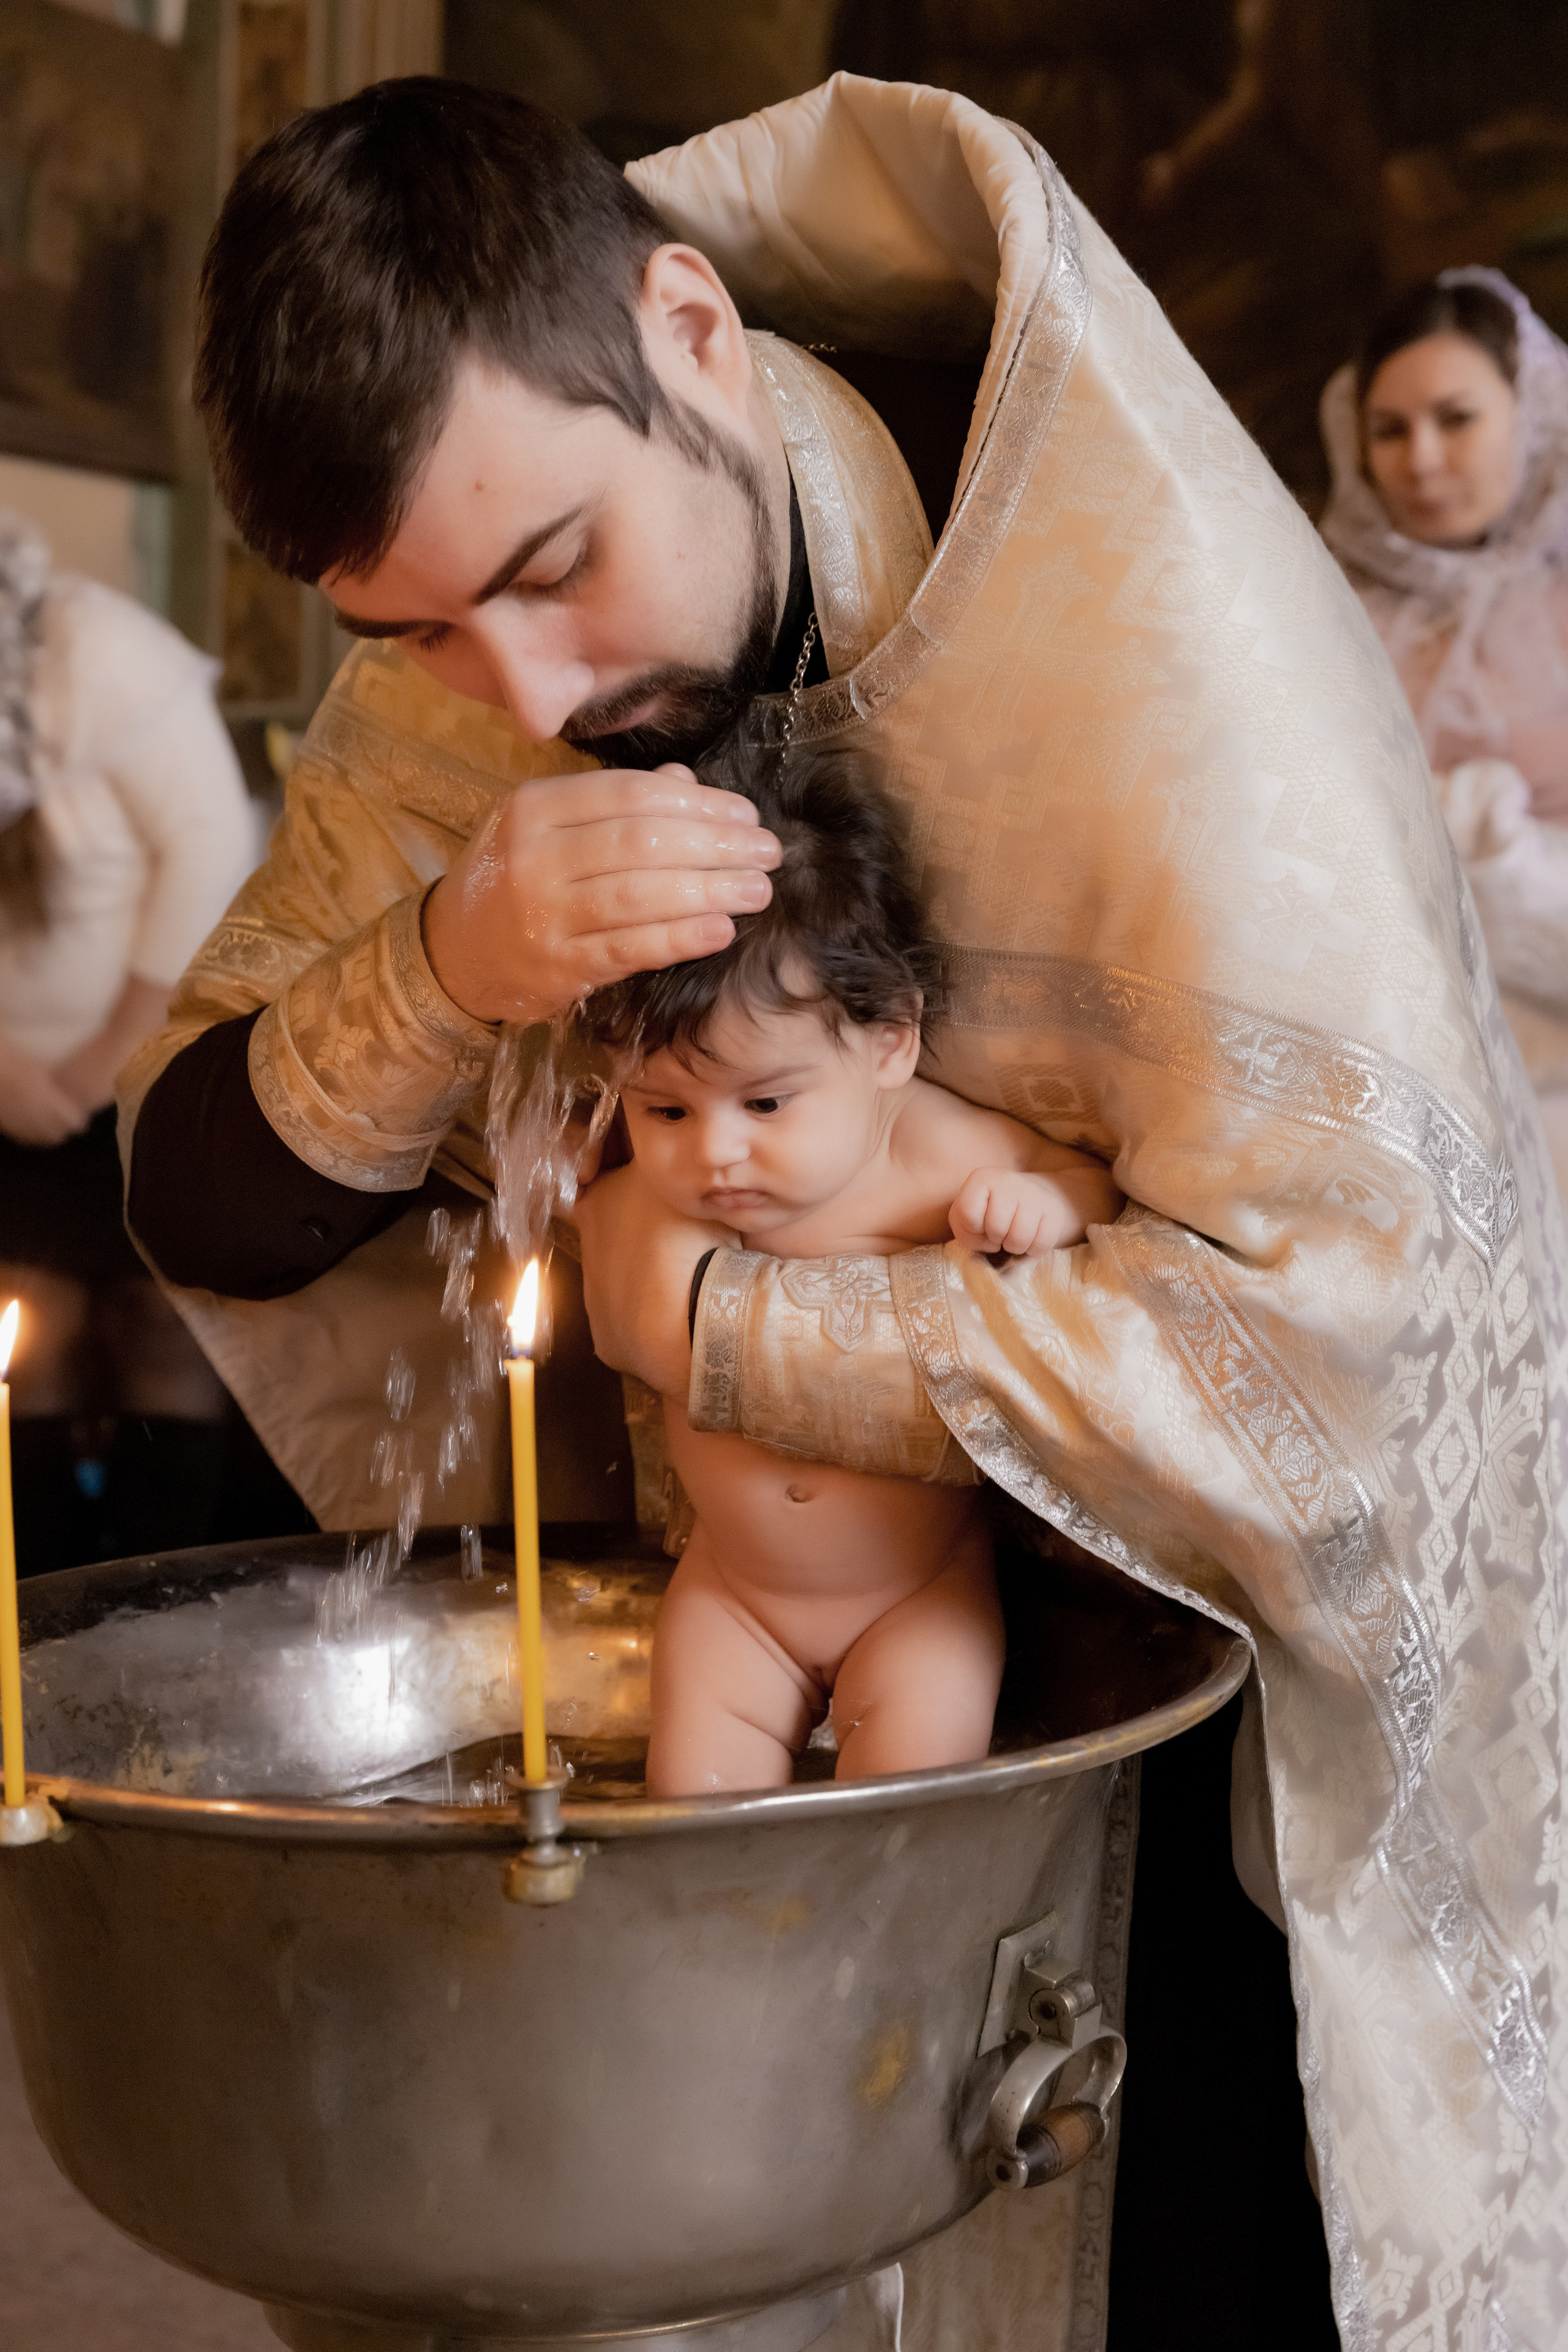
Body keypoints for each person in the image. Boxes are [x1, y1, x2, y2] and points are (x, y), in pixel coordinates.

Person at [118, 76, 1564, 2352]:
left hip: (1199, 1766)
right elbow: (204, 1194)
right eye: (421, 637)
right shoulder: (476, 677)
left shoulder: (1173, 638)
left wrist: (711, 1324)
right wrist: (446, 965)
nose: (534, 699)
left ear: (691, 332)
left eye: (552, 568)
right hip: (750, 1685)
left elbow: (1352, 1358)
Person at [574, 748, 1121, 1795]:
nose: (715, 1153)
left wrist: (1046, 1207)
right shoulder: (664, 1187)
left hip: (917, 1600)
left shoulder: (929, 1156)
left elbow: (1086, 1184)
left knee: (899, 1824)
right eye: (666, 1109)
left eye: (766, 1103)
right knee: (695, 1821)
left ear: (889, 1044)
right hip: (734, 1593)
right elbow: (590, 1208)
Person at [0, 509, 257, 1567]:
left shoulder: (97, 651)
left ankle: (159, 1601)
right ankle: (44, 1610)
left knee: (161, 1326)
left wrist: (99, 1060)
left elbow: (210, 850)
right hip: (11, 1097)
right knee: (29, 1327)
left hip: (149, 1074)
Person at [1319, 268, 1568, 1191]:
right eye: (1390, 431)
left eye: (1456, 419)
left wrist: (1499, 849)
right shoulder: (1324, 608)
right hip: (1397, 1021)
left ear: (1531, 417)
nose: (1420, 461)